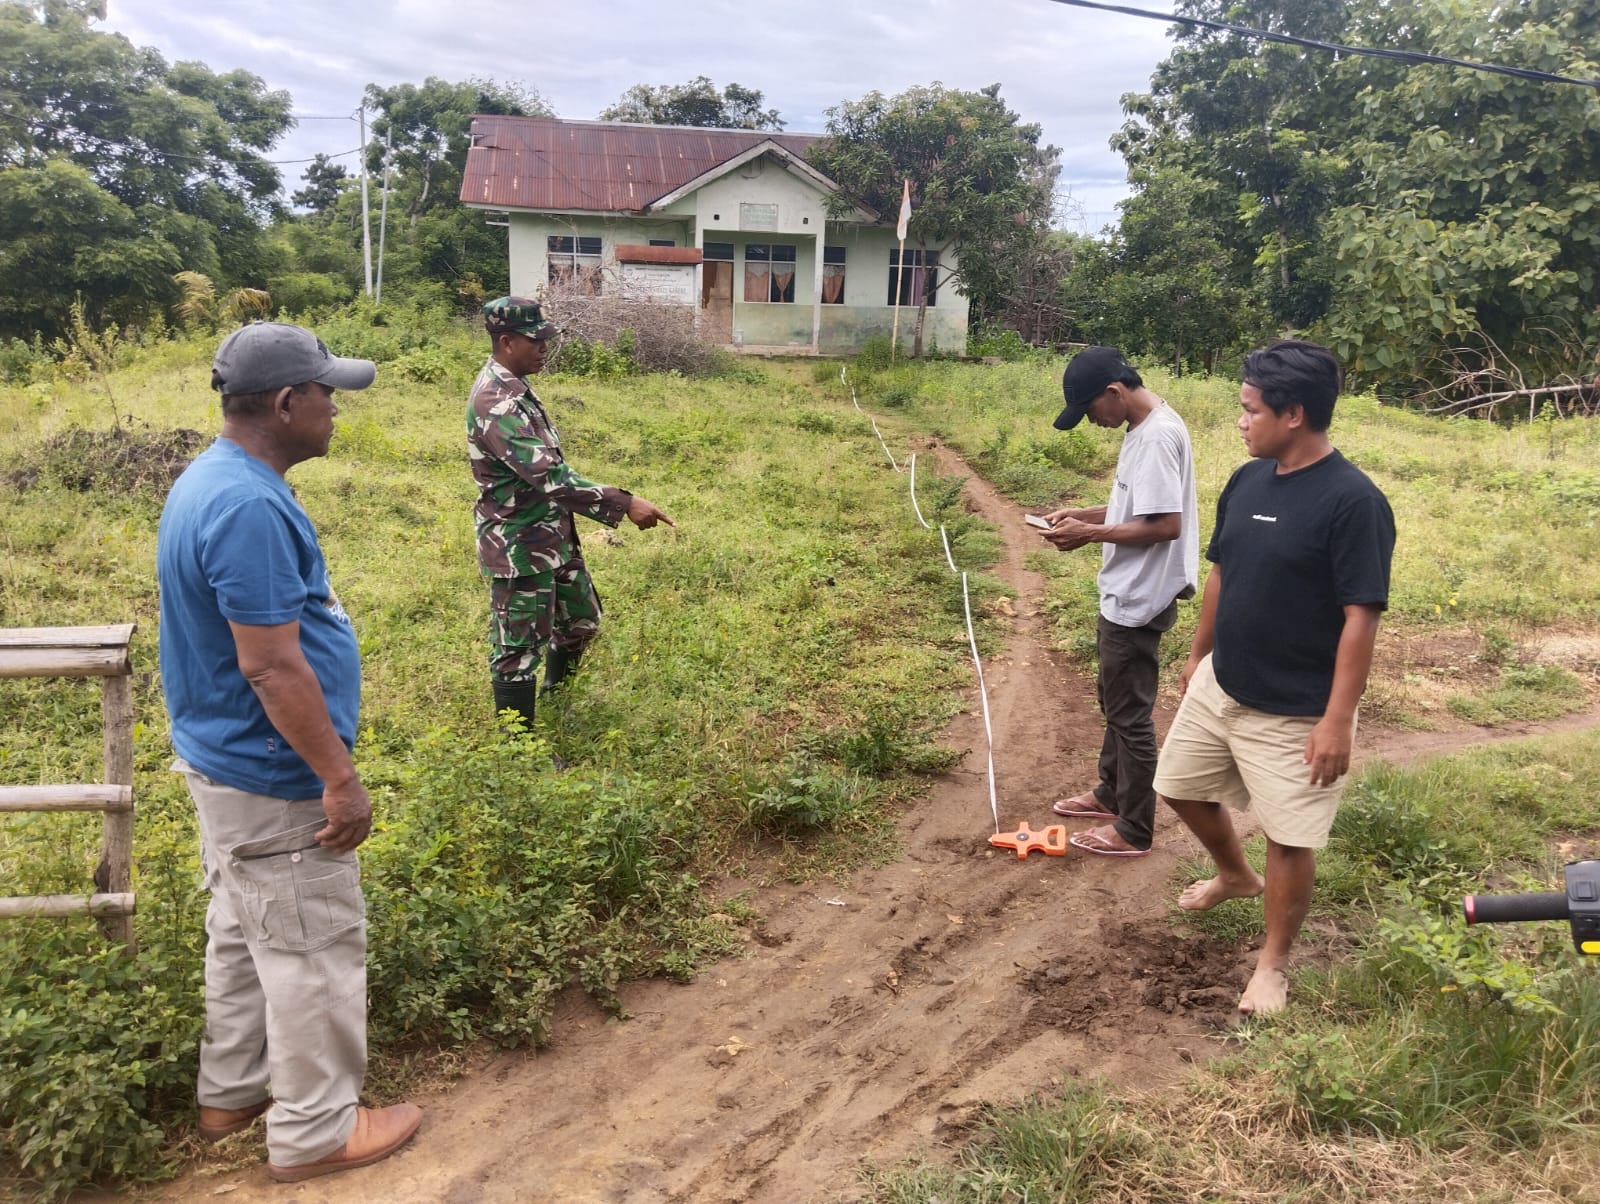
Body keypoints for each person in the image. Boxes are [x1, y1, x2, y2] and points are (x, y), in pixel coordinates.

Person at [157, 321, 422, 1182]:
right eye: (325, 393)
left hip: (224, 762)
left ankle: (231, 1094)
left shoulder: (213, 479)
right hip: (273, 774)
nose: (334, 408)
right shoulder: (247, 507)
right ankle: (316, 1131)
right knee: (310, 948)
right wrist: (338, 779)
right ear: (284, 403)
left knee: (243, 931)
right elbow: (271, 665)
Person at [1153, 338, 1395, 1016]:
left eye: (1250, 410)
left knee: (1290, 837)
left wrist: (1336, 721)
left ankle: (1273, 965)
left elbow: (1360, 618)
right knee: (1177, 786)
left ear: (1294, 415)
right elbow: (1222, 574)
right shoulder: (1247, 480)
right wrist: (1198, 655)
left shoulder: (1354, 502)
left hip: (1296, 707)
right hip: (1223, 682)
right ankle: (1235, 874)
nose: (1241, 421)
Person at [468, 297, 673, 731]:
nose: (545, 347)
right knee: (517, 651)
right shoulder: (495, 402)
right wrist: (624, 503)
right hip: (518, 545)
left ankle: (556, 702)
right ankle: (518, 750)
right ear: (507, 342)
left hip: (552, 537)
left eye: (546, 338)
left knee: (581, 620)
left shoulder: (517, 388)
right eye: (535, 340)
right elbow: (551, 476)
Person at [1038, 347, 1198, 858]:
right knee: (1115, 700)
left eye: (1090, 410)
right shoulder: (1143, 426)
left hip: (1141, 595)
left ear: (1114, 392)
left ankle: (1134, 827)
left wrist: (1090, 534)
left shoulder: (1156, 437)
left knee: (1130, 715)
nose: (1091, 421)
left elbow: (1165, 525)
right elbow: (1136, 507)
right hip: (1126, 590)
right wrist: (1084, 514)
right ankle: (1111, 791)